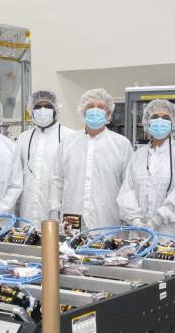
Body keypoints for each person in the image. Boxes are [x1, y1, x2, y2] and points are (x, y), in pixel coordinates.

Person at [50, 88, 133, 229]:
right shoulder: (68, 143)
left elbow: (129, 186)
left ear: (109, 113)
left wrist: (128, 219)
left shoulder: (121, 144)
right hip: (72, 220)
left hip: (108, 221)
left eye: (101, 107)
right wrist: (54, 210)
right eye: (90, 106)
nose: (95, 110)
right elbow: (57, 179)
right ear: (83, 111)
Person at [117, 98, 175, 240]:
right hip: (138, 234)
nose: (160, 121)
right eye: (155, 117)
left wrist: (155, 221)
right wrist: (136, 221)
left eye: (166, 118)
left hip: (170, 234)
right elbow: (127, 192)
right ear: (147, 122)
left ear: (173, 123)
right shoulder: (138, 155)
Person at [17, 90, 77, 223]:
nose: (42, 110)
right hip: (28, 210)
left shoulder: (70, 137)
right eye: (37, 107)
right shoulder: (23, 138)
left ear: (56, 109)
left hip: (59, 210)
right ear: (31, 111)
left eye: (48, 106)